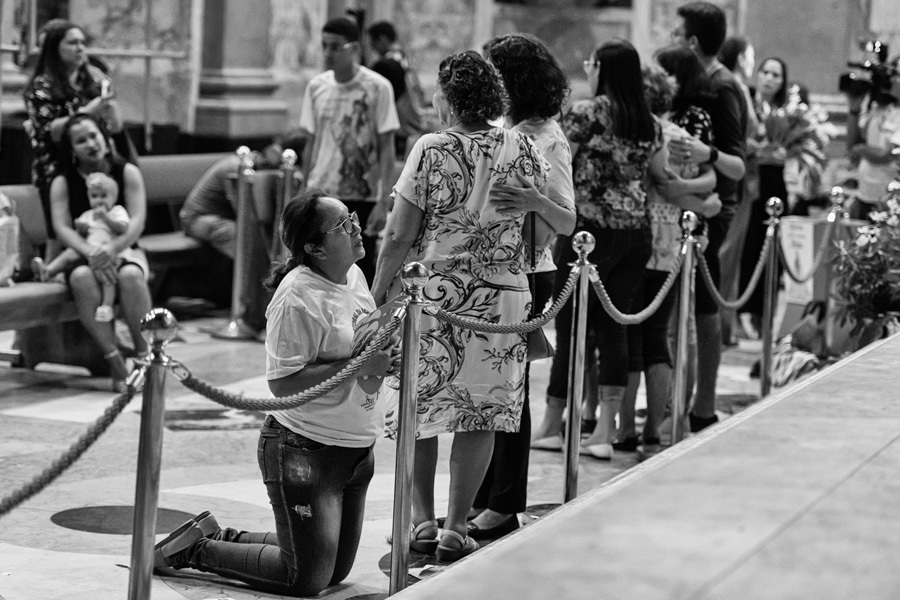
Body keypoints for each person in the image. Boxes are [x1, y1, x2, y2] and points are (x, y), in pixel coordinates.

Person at [153, 189, 398, 596]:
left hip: (354, 447)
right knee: (303, 579)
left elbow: (362, 344)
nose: (356, 227)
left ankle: (221, 535)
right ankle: (195, 549)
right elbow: (282, 384)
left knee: (332, 572)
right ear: (315, 248)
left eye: (352, 217)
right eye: (342, 225)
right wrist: (358, 364)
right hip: (305, 450)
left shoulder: (352, 274)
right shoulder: (297, 298)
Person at [370, 50, 548, 562]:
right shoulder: (524, 146)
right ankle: (455, 526)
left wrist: (379, 292)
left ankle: (421, 521)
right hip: (503, 296)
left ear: (448, 97)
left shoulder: (430, 148)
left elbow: (400, 232)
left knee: (419, 407)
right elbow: (534, 229)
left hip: (435, 292)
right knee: (480, 413)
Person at [468, 33, 575, 538]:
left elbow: (567, 218)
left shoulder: (547, 136)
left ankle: (507, 502)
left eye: (493, 71)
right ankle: (484, 493)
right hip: (495, 267)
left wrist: (533, 199)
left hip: (531, 269)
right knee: (489, 387)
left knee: (512, 390)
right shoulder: (509, 128)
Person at [548, 39, 662, 461]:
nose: (588, 69)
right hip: (636, 233)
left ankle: (553, 423)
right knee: (615, 328)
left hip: (589, 234)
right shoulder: (648, 122)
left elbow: (563, 167)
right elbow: (660, 176)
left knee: (571, 327)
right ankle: (605, 432)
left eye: (591, 63)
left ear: (602, 69)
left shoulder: (587, 112)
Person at [669, 2, 747, 433]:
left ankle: (704, 403)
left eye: (678, 34)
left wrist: (707, 155)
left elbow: (736, 162)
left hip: (712, 210)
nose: (672, 40)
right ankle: (678, 400)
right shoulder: (695, 83)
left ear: (693, 42)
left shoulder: (722, 87)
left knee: (702, 306)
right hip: (690, 206)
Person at [48, 114, 152, 391]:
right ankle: (114, 360)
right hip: (83, 252)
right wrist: (92, 252)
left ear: (105, 139)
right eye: (81, 141)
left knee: (130, 275)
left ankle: (145, 359)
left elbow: (137, 220)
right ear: (71, 150)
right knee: (81, 277)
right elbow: (62, 227)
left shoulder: (127, 171)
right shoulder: (62, 181)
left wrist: (112, 249)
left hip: (124, 248)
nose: (90, 144)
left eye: (94, 136)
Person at [299, 17, 399, 284]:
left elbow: (387, 147)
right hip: (321, 190)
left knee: (358, 269)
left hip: (362, 195)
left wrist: (383, 201)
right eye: (324, 46)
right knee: (316, 267)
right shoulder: (316, 87)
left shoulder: (378, 87)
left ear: (353, 48)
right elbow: (311, 142)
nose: (328, 54)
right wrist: (303, 189)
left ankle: (358, 324)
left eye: (335, 47)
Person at [24, 20, 123, 239]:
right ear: (55, 48)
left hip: (97, 168)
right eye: (72, 43)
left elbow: (115, 127)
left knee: (106, 230)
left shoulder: (94, 81)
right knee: (61, 238)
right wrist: (88, 110)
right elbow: (48, 131)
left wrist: (110, 103)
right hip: (57, 169)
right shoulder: (42, 87)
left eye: (82, 42)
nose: (80, 48)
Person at [32, 172, 136, 323]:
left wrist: (106, 218)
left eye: (104, 196)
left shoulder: (117, 211)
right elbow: (80, 235)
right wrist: (81, 228)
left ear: (114, 197)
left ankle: (106, 306)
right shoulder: (88, 214)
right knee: (69, 253)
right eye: (94, 196)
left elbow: (122, 228)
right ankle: (48, 271)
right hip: (87, 251)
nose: (99, 200)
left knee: (108, 276)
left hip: (109, 251)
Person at [738, 56, 790, 338]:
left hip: (774, 184)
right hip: (748, 183)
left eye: (777, 75)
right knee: (747, 247)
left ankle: (763, 314)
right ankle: (739, 311)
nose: (770, 78)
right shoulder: (746, 103)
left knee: (769, 250)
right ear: (758, 74)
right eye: (766, 72)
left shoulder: (787, 113)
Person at [845, 55, 900, 220]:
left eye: (896, 76)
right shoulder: (876, 108)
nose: (891, 81)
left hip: (889, 200)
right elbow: (851, 144)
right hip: (864, 194)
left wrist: (861, 150)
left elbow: (884, 155)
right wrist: (854, 109)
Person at [367, 20, 429, 157]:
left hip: (394, 127)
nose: (372, 47)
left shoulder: (385, 65)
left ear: (382, 39)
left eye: (373, 42)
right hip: (410, 125)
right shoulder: (404, 59)